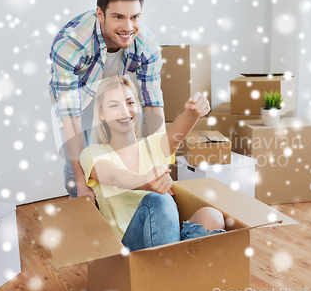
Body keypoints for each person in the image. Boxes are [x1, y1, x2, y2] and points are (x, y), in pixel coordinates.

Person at [49, 0, 165, 201]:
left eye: (135, 17)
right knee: (80, 168)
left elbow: (153, 104)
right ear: (100, 14)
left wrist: (159, 169)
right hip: (77, 101)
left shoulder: (147, 44)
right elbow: (70, 118)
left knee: (118, 155)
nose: (128, 27)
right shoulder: (70, 44)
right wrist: (81, 184)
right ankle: (81, 205)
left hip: (112, 93)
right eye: (118, 17)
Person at [80, 76, 225, 251]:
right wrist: (144, 181)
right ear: (101, 114)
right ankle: (174, 267)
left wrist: (194, 111)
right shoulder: (92, 153)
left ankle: (176, 268)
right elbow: (114, 175)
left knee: (211, 216)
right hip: (127, 251)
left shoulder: (153, 146)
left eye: (130, 102)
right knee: (158, 199)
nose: (125, 111)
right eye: (114, 105)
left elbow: (176, 133)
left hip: (164, 241)